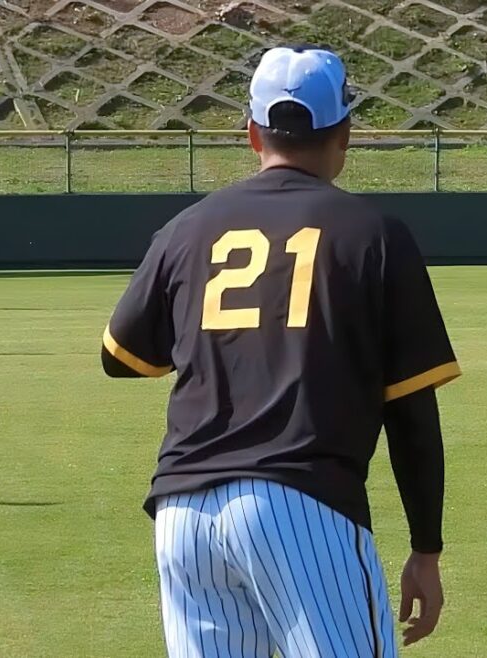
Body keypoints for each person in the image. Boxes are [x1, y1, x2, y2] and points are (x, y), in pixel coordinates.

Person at [101, 45, 459, 657]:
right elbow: (411, 416)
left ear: (251, 133)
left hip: (183, 512)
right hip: (300, 503)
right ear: (345, 133)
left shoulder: (186, 229)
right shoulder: (372, 234)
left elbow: (122, 356)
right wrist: (426, 548)